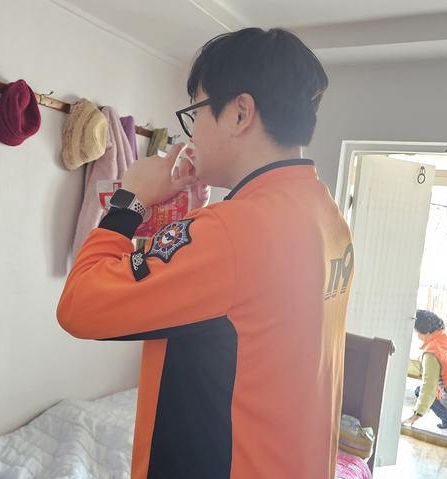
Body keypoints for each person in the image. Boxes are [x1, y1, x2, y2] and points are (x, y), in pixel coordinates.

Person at [57, 28, 354, 479]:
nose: (191, 132)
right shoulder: (326, 214)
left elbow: (79, 305)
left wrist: (130, 200)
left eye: (195, 112)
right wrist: (194, 221)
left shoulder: (232, 231)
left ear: (240, 113)